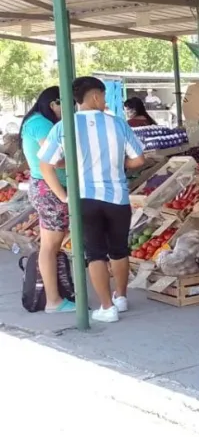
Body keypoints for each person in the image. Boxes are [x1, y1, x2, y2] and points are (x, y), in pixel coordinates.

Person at [38, 77, 146, 323]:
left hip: (84, 198)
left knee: (95, 254)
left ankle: (107, 308)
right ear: (95, 96)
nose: (105, 101)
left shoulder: (64, 127)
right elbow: (139, 159)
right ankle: (121, 297)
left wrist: (63, 196)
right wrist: (118, 164)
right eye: (104, 96)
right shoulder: (117, 123)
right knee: (119, 249)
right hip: (117, 197)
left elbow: (47, 164)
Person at [19, 86, 74, 314]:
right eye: (66, 105)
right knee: (51, 247)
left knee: (49, 246)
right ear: (53, 104)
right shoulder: (42, 124)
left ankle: (54, 296)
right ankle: (53, 300)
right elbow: (54, 158)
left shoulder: (34, 121)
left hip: (44, 188)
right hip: (50, 189)